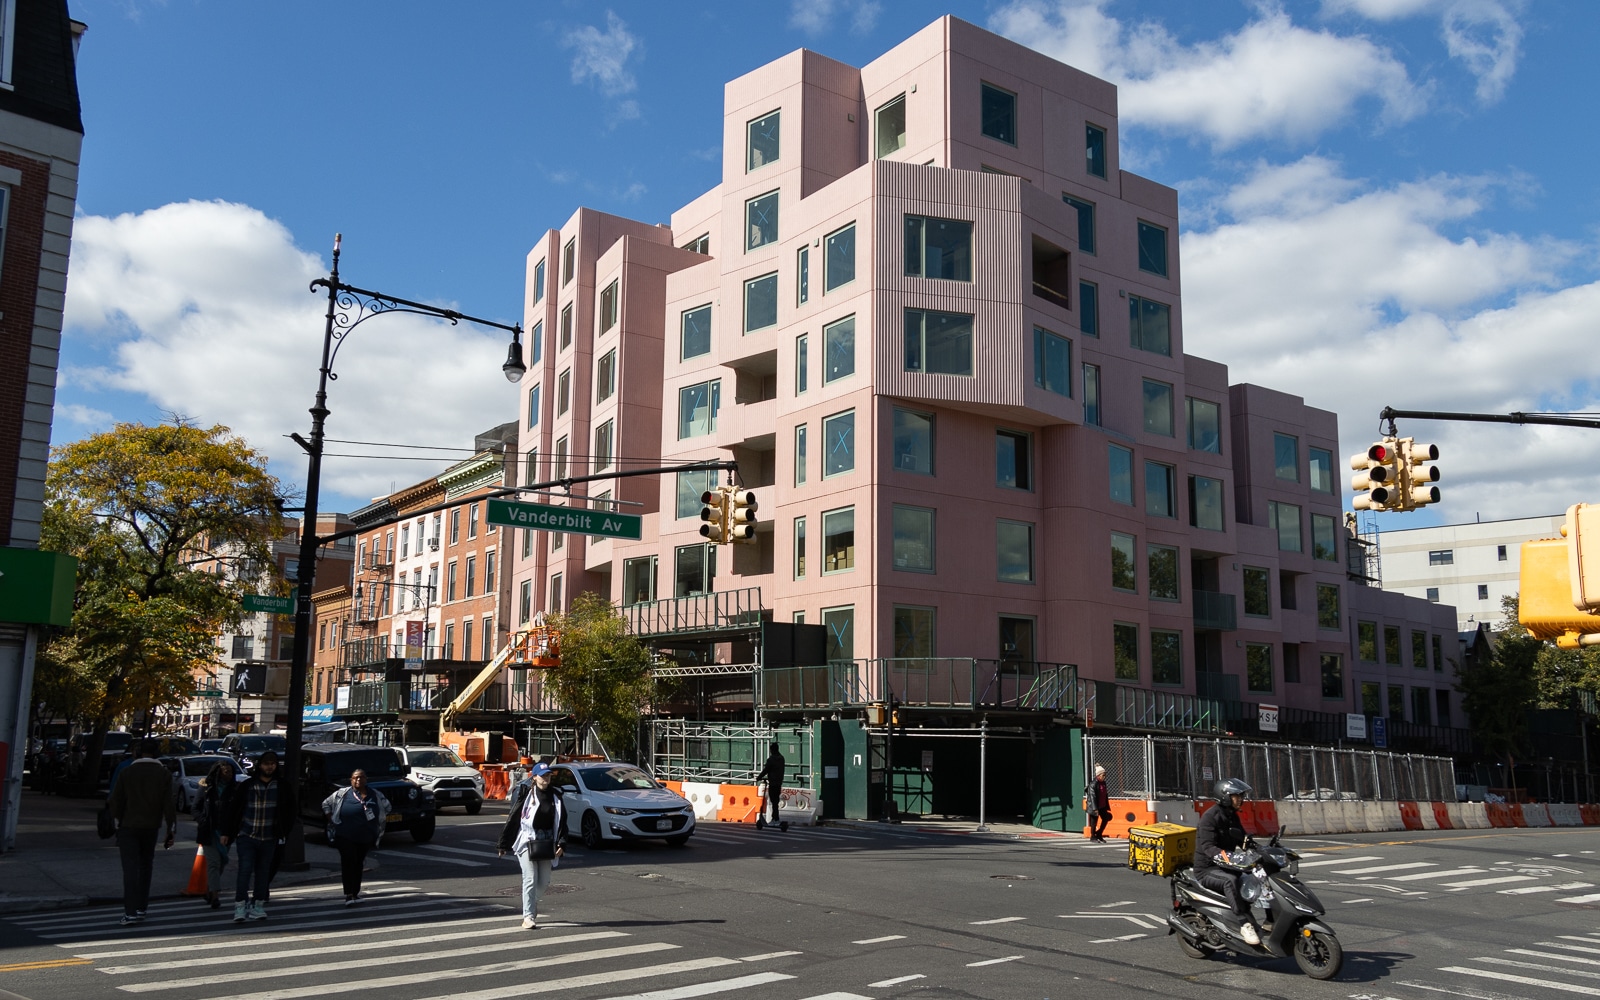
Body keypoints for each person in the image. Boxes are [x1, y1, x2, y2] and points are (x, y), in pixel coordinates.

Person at [219, 749, 297, 923]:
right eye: (266, 764)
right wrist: (227, 832)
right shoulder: (248, 785)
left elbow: (291, 811)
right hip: (247, 836)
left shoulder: (282, 786)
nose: (269, 767)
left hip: (270, 837)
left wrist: (284, 832)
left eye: (272, 764)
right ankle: (240, 906)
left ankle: (258, 905)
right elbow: (233, 810)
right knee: (244, 871)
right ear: (259, 765)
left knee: (263, 873)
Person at [106, 740, 177, 925]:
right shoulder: (163, 774)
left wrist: (116, 821)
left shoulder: (127, 772)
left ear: (137, 753)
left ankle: (129, 911)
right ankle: (141, 907)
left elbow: (115, 801)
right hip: (151, 826)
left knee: (130, 869)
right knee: (146, 866)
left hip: (128, 826)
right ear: (156, 753)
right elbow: (169, 804)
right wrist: (171, 830)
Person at [497, 763, 565, 930]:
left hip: (547, 841)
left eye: (548, 775)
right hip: (526, 839)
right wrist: (503, 843)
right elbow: (513, 819)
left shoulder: (556, 796)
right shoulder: (526, 794)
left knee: (544, 882)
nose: (545, 779)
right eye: (542, 776)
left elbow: (562, 822)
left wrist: (562, 843)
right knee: (530, 878)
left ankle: (531, 903)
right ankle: (528, 916)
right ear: (534, 777)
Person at [1194, 777, 1260, 946]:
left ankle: (1264, 919)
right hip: (1208, 869)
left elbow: (1242, 839)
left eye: (1241, 796)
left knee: (1257, 876)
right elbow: (1208, 847)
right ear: (1224, 797)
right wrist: (1229, 857)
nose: (1241, 799)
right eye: (1236, 796)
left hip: (1225, 866)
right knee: (1231, 881)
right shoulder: (1210, 817)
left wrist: (1261, 851)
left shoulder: (1232, 816)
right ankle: (1244, 924)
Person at [322, 769, 388, 905]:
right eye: (355, 778)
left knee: (358, 863)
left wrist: (377, 821)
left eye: (361, 777)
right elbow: (326, 804)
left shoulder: (375, 794)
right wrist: (332, 820)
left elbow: (387, 807)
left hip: (365, 837)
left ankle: (355, 893)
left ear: (366, 779)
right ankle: (348, 894)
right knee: (348, 862)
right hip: (345, 836)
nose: (358, 780)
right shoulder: (342, 794)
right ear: (351, 780)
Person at [192, 759, 241, 909]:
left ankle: (209, 888)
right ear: (218, 772)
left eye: (231, 772)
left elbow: (237, 812)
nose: (228, 774)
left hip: (226, 832)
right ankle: (214, 895)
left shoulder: (234, 789)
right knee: (213, 863)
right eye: (225, 771)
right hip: (209, 831)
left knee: (222, 861)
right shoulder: (207, 788)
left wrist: (232, 830)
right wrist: (204, 821)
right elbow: (195, 808)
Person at [755, 743, 785, 826]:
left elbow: (766, 770)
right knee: (776, 801)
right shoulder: (782, 758)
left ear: (772, 750)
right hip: (779, 782)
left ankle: (775, 818)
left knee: (773, 801)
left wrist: (759, 777)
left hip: (772, 783)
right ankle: (775, 818)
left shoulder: (771, 760)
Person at [1087, 764, 1112, 842]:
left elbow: (1105, 794)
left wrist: (1106, 806)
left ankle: (1099, 833)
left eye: (1105, 775)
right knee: (1094, 822)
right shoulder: (1093, 784)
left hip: (1102, 805)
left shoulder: (1103, 783)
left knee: (1105, 819)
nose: (1104, 777)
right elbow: (1092, 796)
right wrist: (1095, 809)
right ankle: (1092, 836)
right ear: (1098, 775)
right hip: (1095, 806)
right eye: (1103, 775)